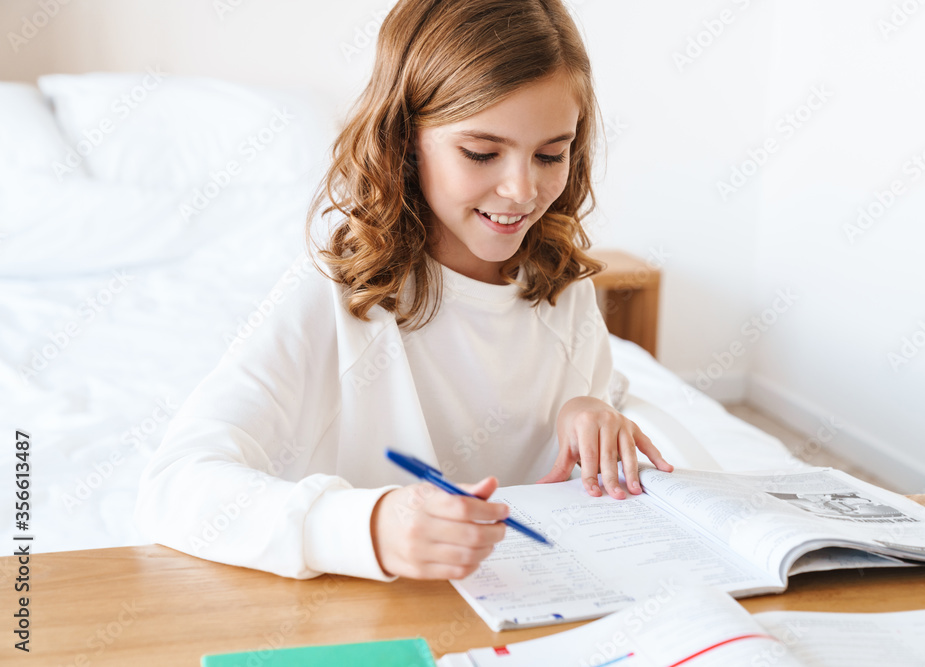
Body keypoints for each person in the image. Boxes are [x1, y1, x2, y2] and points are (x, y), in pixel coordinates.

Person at [134, 0, 672, 583]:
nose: (522, 189)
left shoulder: (563, 291)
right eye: (482, 153)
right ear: (406, 139)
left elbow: (578, 429)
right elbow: (174, 484)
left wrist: (588, 410)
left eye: (551, 154)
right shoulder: (339, 300)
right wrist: (368, 527)